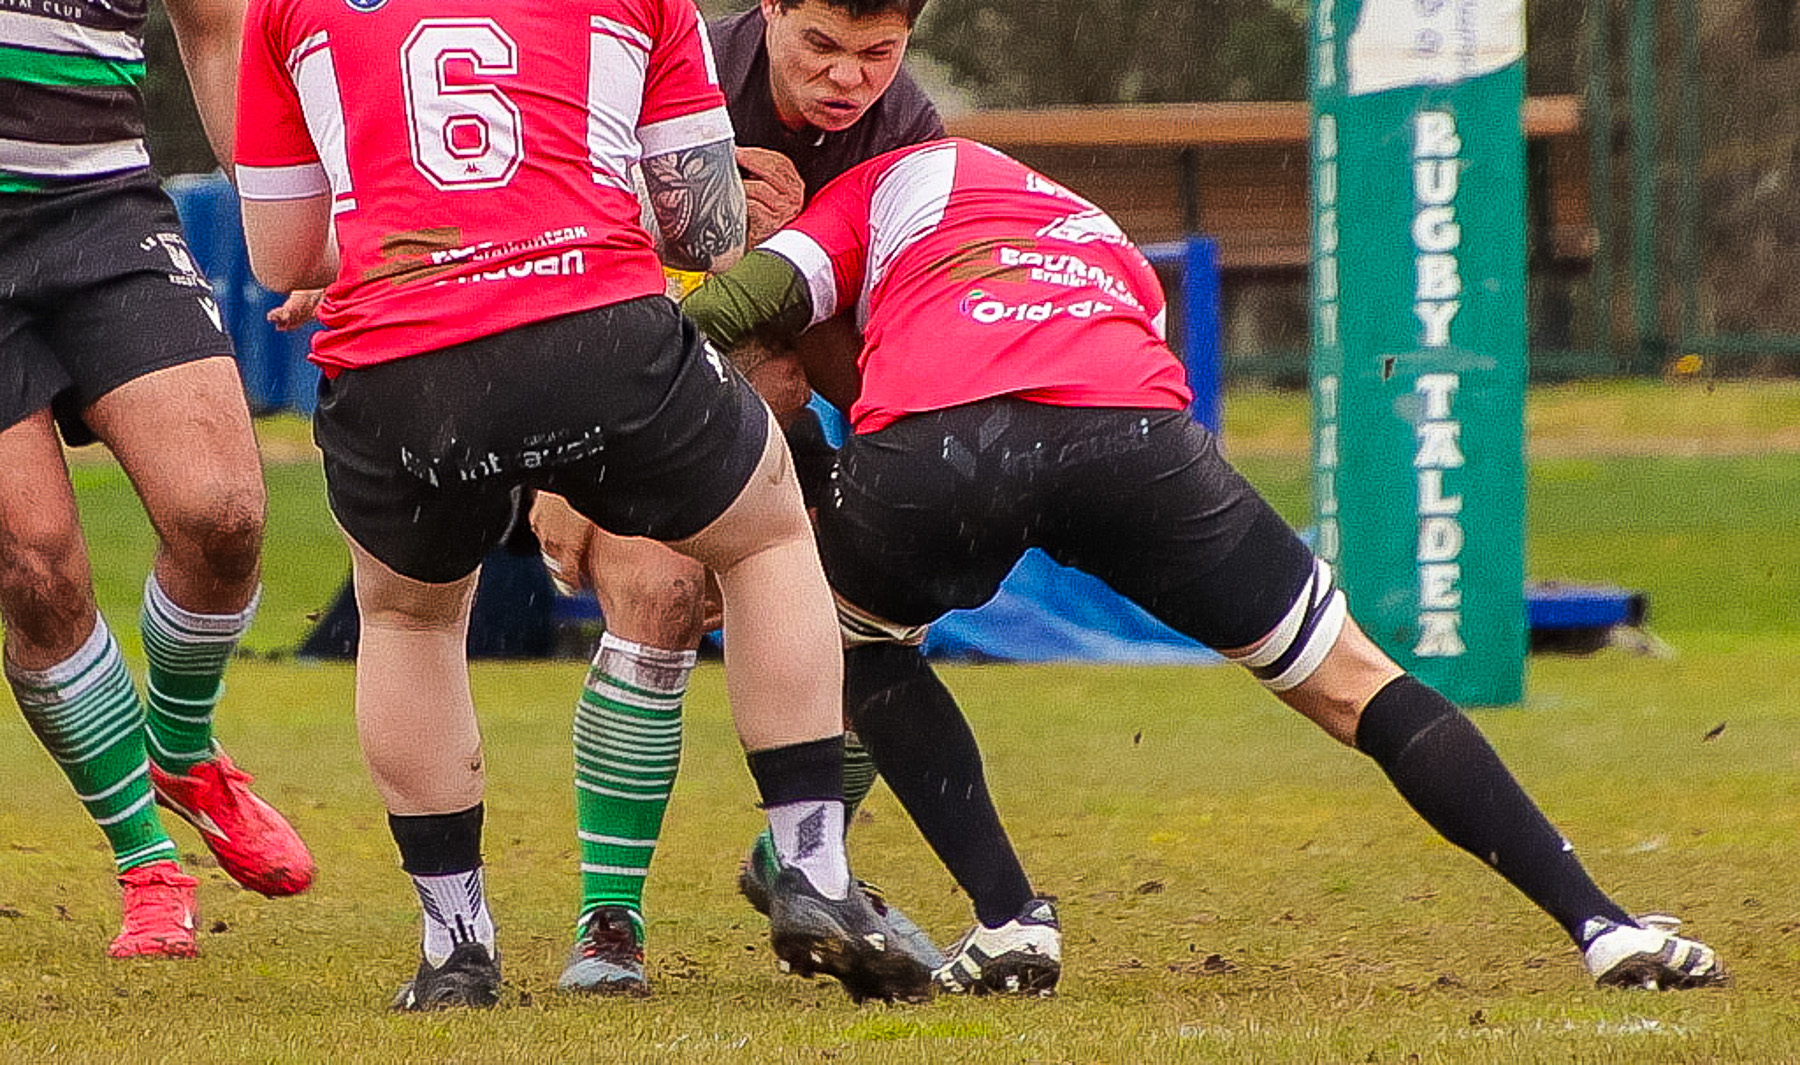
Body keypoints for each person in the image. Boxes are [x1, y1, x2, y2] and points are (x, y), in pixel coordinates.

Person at [233, 0, 931, 1011]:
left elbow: (280, 258)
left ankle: (455, 949)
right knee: (772, 536)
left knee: (407, 615)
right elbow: (700, 223)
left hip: (402, 358)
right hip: (595, 330)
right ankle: (812, 865)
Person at [679, 136, 1731, 998]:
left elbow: (735, 309)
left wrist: (618, 394)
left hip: (946, 445)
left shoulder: (873, 187)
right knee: (1356, 682)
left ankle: (1009, 921)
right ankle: (1604, 922)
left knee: (853, 633)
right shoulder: (1102, 239)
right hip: (1132, 436)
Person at [529, 0, 948, 996]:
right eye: (821, 44)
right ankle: (608, 919)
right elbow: (570, 277)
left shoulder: (908, 143)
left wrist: (800, 262)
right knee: (659, 595)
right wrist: (560, 474)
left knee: (892, 598)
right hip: (626, 421)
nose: (849, 78)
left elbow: (873, 373)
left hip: (792, 426)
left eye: (880, 50)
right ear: (766, 2)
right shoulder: (670, 85)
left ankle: (797, 859)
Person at [0, 0, 315, 961]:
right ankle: (144, 861)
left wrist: (282, 222)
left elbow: (215, 24)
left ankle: (184, 745)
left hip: (105, 214)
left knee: (225, 510)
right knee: (37, 569)